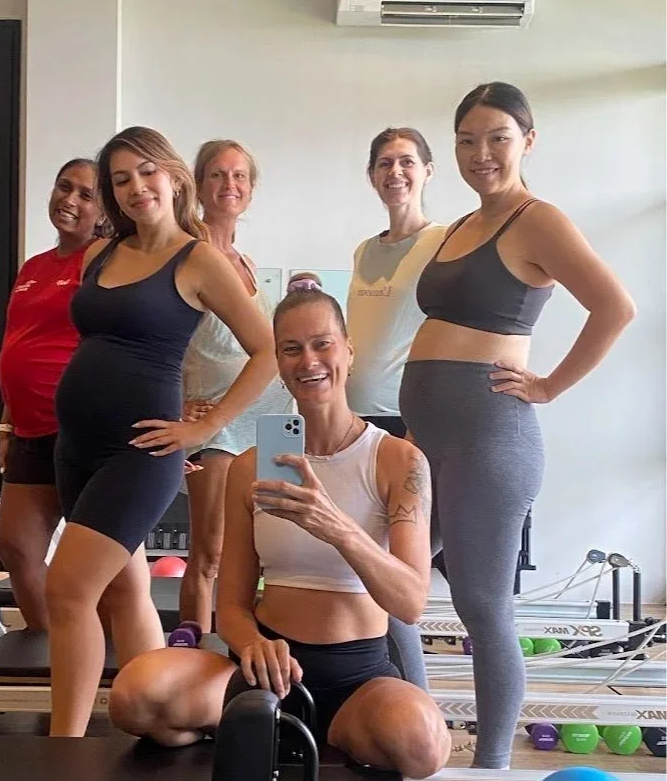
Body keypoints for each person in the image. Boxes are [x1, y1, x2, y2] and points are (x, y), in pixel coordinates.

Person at [108, 288, 451, 780]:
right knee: (133, 697)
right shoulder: (255, 463)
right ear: (280, 362)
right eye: (291, 348)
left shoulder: (398, 460)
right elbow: (230, 606)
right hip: (260, 669)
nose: (308, 360)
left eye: (322, 344)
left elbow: (411, 602)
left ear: (349, 350)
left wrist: (337, 527)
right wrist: (250, 644)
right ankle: (257, 724)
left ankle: (303, 732)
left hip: (357, 678)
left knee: (420, 746)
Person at [400, 81, 636, 770]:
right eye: (467, 141)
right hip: (432, 440)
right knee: (390, 585)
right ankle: (420, 735)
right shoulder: (461, 227)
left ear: (527, 141)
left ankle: (492, 764)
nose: (482, 154)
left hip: (489, 437)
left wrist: (551, 387)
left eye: (497, 138)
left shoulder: (537, 219)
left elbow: (614, 307)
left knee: (481, 604)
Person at [44, 126, 277, 737]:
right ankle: (159, 718)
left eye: (146, 172)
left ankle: (62, 747)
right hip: (78, 448)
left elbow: (267, 350)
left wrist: (206, 426)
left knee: (67, 592)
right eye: (120, 179)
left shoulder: (199, 259)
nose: (136, 187)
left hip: (139, 453)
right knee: (124, 590)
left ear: (173, 176)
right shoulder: (100, 254)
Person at [180, 139, 293, 632]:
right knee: (211, 550)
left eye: (240, 176)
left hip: (273, 422)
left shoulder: (247, 264)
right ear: (199, 184)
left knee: (272, 548)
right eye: (218, 175)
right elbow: (159, 339)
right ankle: (193, 656)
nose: (230, 185)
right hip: (218, 423)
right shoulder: (186, 254)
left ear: (251, 188)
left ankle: (252, 648)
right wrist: (179, 402)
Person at [0, 158, 108, 630]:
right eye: (64, 187)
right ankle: (51, 646)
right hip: (28, 430)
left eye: (85, 194)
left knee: (102, 567)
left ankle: (116, 664)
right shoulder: (34, 266)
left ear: (104, 211)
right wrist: (5, 423)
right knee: (17, 547)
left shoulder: (105, 261)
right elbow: (17, 345)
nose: (70, 200)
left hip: (79, 432)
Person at [346, 127, 447, 440]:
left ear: (427, 172)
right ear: (372, 176)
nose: (395, 172)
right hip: (354, 417)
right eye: (385, 163)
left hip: (409, 418)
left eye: (407, 162)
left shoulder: (445, 242)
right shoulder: (363, 251)